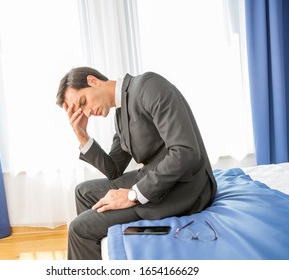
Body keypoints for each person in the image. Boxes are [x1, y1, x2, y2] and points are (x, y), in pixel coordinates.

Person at [56, 66, 217, 260]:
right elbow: (113, 169)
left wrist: (133, 195)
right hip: (155, 178)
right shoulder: (120, 115)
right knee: (83, 192)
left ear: (93, 81)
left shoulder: (149, 86)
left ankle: (90, 233)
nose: (87, 113)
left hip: (185, 187)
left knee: (79, 228)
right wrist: (82, 135)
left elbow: (185, 152)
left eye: (83, 102)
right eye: (80, 111)